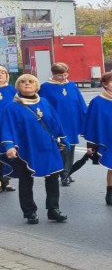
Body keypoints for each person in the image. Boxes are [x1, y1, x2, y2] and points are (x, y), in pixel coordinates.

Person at [1, 74, 69, 224]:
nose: (27, 84)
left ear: (36, 86)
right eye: (23, 82)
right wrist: (9, 146)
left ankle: (53, 210)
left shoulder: (44, 102)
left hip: (48, 146)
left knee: (53, 177)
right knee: (26, 180)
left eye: (30, 82)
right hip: (26, 148)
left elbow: (55, 121)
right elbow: (6, 128)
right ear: (18, 86)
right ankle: (30, 212)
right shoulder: (11, 107)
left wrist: (63, 137)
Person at [83, 72, 112, 208]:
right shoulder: (97, 102)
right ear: (104, 84)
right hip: (106, 141)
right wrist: (90, 145)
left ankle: (109, 195)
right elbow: (91, 124)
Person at [39, 62, 86, 187]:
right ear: (54, 75)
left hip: (72, 121)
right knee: (63, 148)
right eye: (60, 75)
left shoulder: (71, 85)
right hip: (58, 122)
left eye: (66, 74)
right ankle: (64, 174)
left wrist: (85, 115)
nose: (64, 77)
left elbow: (80, 101)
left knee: (71, 147)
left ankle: (68, 172)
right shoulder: (46, 87)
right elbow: (44, 105)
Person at [0, 66, 17, 193]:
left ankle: (6, 180)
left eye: (3, 73)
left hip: (8, 126)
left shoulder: (13, 90)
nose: (0, 75)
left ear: (7, 75)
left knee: (7, 154)